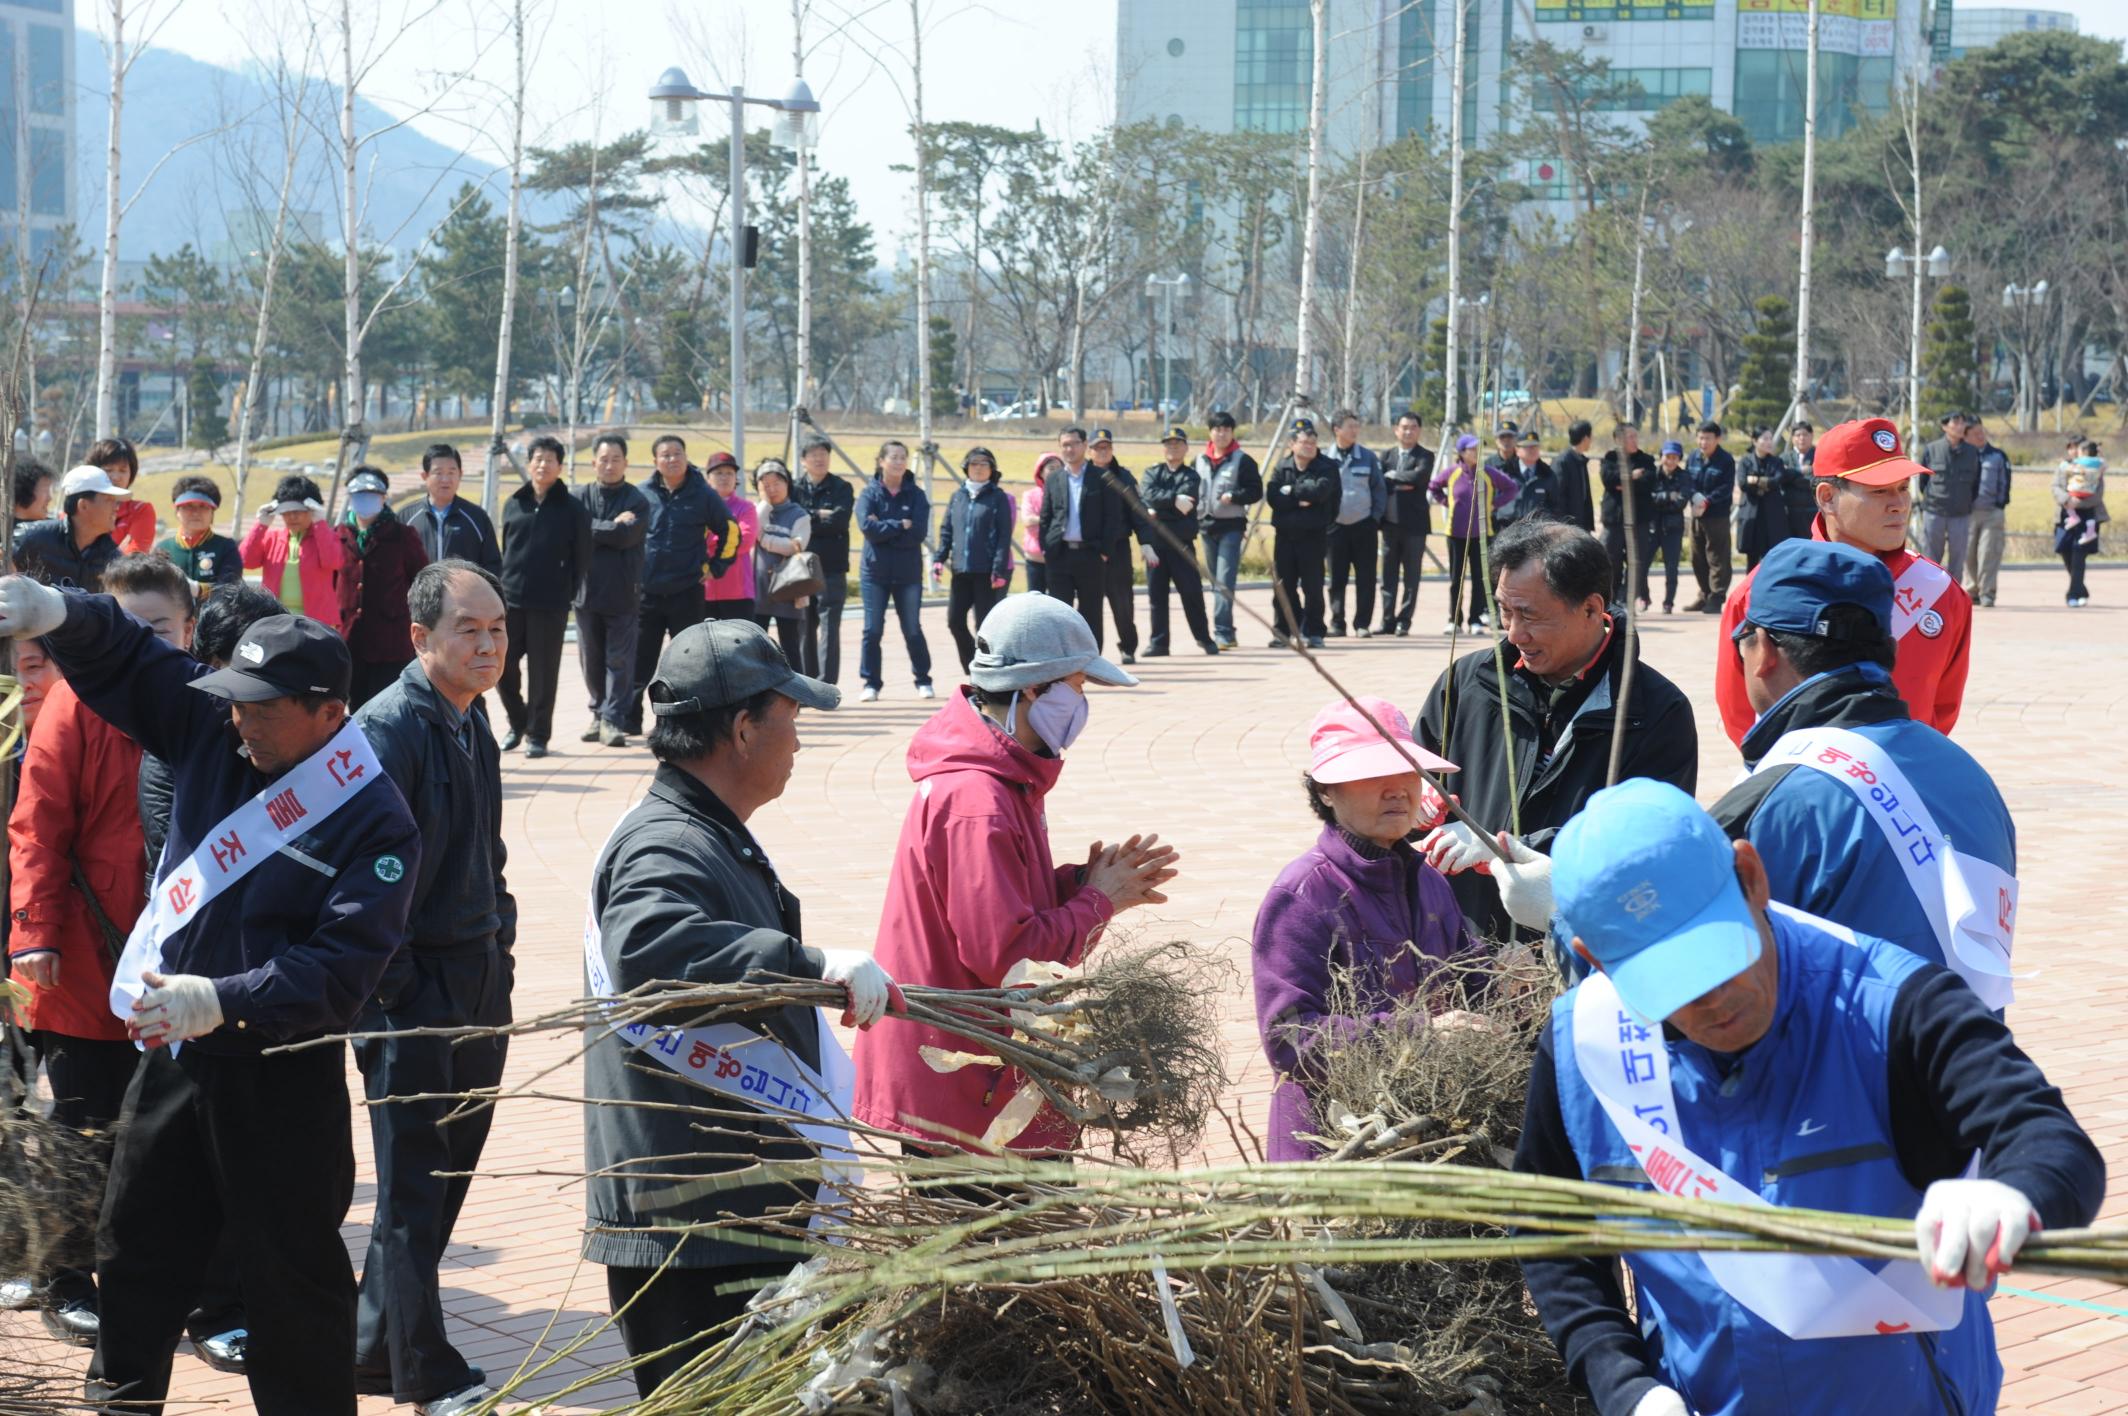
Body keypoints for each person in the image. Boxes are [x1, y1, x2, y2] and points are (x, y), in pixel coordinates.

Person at [1515, 777, 2103, 1416]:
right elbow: (1552, 1231)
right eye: (1667, 982)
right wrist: (1623, 1384)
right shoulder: (1585, 1045)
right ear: (1595, 959)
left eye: (1718, 954)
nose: (1712, 1000)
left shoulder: (1893, 1006)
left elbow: (2050, 1141)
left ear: (1751, 876)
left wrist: (2012, 1194)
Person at [0, 575, 420, 1416]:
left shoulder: (376, 818)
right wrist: (60, 613)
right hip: (177, 1057)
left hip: (281, 1073)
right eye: (233, 698)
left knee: (290, 1276)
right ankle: (121, 1402)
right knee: (135, 1248)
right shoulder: (210, 731)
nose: (239, 718)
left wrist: (223, 995)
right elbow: (129, 657)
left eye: (260, 707)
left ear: (327, 712)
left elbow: (340, 967)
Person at [585, 620, 895, 1399]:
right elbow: (650, 952)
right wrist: (811, 965)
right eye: (789, 716)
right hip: (698, 1229)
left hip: (729, 1208)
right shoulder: (666, 843)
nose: (798, 739)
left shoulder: (706, 830)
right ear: (743, 727)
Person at [854, 593, 1176, 1153]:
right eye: (1077, 686)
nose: (1082, 703)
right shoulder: (977, 797)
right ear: (1033, 688)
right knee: (999, 1239)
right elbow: (1005, 955)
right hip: (959, 1083)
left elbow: (994, 902)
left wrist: (1077, 885)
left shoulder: (1000, 771)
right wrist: (1099, 901)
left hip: (972, 1068)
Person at [5, 555, 194, 1348]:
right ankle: (63, 1277)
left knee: (157, 1134)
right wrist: (35, 936)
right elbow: (37, 830)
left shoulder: (205, 701)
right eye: (129, 628)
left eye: (158, 628)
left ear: (187, 628)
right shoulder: (73, 706)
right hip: (84, 963)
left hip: (176, 967)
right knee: (83, 1127)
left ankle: (153, 1274)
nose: (143, 643)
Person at [1711, 539, 2017, 1004]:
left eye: (1743, 641)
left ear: (1766, 650)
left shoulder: (1773, 800)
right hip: (1970, 1066)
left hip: (1835, 1073)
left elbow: (1696, 983)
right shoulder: (1973, 778)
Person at [350, 560, 514, 1416]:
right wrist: (402, 988)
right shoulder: (389, 730)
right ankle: (424, 1370)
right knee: (413, 1177)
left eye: (497, 629)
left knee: (448, 1170)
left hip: (480, 973)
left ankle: (372, 1345)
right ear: (420, 639)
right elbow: (369, 883)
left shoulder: (471, 719)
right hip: (414, 988)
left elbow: (487, 851)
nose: (488, 646)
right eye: (469, 630)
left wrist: (504, 947)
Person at [1416, 520, 1698, 947]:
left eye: (1529, 615)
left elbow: (1646, 845)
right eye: (1504, 611)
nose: (1513, 633)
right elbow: (1417, 768)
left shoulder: (1654, 712)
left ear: (1590, 608)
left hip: (1577, 952)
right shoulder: (1468, 682)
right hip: (1459, 945)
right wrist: (1410, 797)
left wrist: (1507, 847)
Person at [1252, 697, 1475, 1160]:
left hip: (1427, 1129)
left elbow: (1472, 978)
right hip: (1335, 1145)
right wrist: (1421, 1032)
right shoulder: (1302, 895)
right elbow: (1289, 1038)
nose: (1397, 790)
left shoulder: (1430, 881)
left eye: (1408, 773)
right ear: (1326, 792)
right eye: (1373, 776)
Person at [1715, 418, 1971, 745]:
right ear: (1827, 497)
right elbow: (1739, 713)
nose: (1899, 504)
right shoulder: (1758, 594)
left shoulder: (1942, 594)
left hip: (1904, 784)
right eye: (1879, 491)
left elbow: (1941, 713)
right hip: (1798, 785)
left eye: (1904, 488)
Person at [623, 434, 731, 736]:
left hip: (687, 592)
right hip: (646, 593)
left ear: (686, 457)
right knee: (639, 662)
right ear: (655, 460)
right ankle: (630, 718)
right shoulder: (641, 493)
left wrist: (716, 566)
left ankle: (684, 721)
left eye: (677, 453)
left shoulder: (703, 494)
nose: (672, 459)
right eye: (665, 454)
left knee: (687, 663)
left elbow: (730, 531)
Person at [498, 436, 592, 758]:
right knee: (501, 665)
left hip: (550, 604)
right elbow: (505, 550)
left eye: (550, 460)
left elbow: (582, 557)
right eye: (537, 459)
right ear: (529, 464)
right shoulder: (514, 503)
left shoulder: (573, 508)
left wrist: (566, 593)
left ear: (560, 466)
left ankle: (538, 735)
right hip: (511, 601)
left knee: (543, 673)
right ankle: (518, 720)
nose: (543, 465)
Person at [577, 433, 651, 748]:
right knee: (590, 659)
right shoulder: (579, 497)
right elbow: (576, 530)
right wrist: (611, 526)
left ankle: (613, 720)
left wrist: (593, 527)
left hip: (623, 592)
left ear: (626, 463)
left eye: (616, 459)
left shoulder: (637, 499)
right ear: (594, 462)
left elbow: (626, 537)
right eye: (604, 459)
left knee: (619, 660)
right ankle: (597, 713)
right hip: (585, 591)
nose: (609, 465)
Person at [336, 467, 431, 709]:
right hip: (349, 640)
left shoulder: (402, 535)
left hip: (391, 644)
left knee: (387, 707)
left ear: (384, 497)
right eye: (359, 494)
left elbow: (422, 580)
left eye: (373, 494)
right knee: (353, 710)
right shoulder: (337, 536)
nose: (365, 500)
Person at [856, 439, 934, 703]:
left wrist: (886, 529)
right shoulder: (869, 494)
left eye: (903, 457)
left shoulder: (916, 495)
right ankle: (871, 683)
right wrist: (900, 524)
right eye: (894, 457)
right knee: (872, 630)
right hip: (874, 573)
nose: (899, 462)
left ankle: (923, 680)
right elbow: (867, 529)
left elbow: (918, 533)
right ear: (881, 461)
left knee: (912, 627)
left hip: (908, 574)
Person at [1138, 425, 1217, 656]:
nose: (1173, 447)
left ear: (1186, 447)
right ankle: (1159, 643)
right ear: (1163, 448)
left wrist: (1159, 508)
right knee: (1157, 596)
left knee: (1192, 593)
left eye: (1178, 443)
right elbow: (1147, 495)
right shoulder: (1152, 473)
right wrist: (1174, 500)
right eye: (1169, 443)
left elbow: (1186, 505)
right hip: (1156, 545)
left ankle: (1204, 638)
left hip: (1181, 544)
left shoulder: (1191, 475)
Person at [932, 447, 1013, 673]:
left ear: (992, 469)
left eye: (984, 464)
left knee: (984, 626)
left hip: (987, 573)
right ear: (966, 467)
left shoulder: (998, 498)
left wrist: (998, 569)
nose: (979, 468)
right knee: (954, 621)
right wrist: (940, 558)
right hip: (961, 571)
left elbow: (1003, 536)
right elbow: (947, 529)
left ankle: (989, 670)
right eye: (974, 463)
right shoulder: (957, 496)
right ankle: (972, 666)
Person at [1428, 433, 1518, 636]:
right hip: (1456, 534)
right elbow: (1433, 486)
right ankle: (1454, 619)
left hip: (1482, 534)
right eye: (1471, 449)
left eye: (1478, 448)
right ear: (1461, 452)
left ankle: (1475, 619)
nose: (1476, 452)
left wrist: (1493, 504)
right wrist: (1446, 502)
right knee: (1456, 579)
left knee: (1480, 578)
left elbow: (1511, 488)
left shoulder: (1488, 473)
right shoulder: (1452, 472)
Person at [242, 473, 347, 631]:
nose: (292, 517)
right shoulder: (272, 538)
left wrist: (320, 523)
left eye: (299, 511)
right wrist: (261, 525)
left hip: (316, 624)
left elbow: (334, 561)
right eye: (286, 512)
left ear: (312, 509)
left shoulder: (326, 537)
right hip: (276, 621)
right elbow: (245, 561)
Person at [1267, 417, 1338, 649]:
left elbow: (1320, 492)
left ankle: (1315, 630)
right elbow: (1273, 497)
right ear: (1291, 444)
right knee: (1282, 586)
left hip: (1313, 535)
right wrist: (1301, 499)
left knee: (1313, 586)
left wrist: (1291, 494)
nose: (1309, 446)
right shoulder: (1282, 467)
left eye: (1312, 442)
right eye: (1304, 442)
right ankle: (1285, 630)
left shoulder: (1326, 466)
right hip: (1285, 535)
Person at [1038, 427, 1112, 648]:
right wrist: (1047, 548)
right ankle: (1063, 661)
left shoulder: (1101, 477)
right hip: (1060, 555)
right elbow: (1046, 517)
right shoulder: (1054, 479)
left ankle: (1092, 660)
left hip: (1091, 554)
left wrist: (1105, 550)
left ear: (1084, 445)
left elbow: (1112, 517)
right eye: (1064, 445)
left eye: (1073, 444)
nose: (1069, 449)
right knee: (1060, 612)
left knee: (1091, 610)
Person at [790, 435, 855, 684]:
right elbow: (791, 521)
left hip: (832, 566)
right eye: (813, 454)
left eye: (823, 454)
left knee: (830, 627)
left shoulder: (842, 488)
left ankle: (826, 684)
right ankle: (807, 684)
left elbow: (839, 521)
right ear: (803, 460)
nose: (819, 459)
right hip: (801, 567)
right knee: (804, 626)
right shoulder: (794, 488)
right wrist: (818, 515)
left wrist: (808, 519)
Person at [1197, 411, 1261, 649]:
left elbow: (1256, 491)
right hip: (1206, 526)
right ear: (1210, 432)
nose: (1221, 434)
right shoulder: (1200, 459)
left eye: (1226, 429)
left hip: (1231, 527)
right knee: (1216, 582)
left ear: (1232, 433)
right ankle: (1229, 630)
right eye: (1217, 429)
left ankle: (1222, 632)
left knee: (1224, 581)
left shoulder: (1242, 460)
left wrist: (1234, 496)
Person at [16, 465, 129, 592]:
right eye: (109, 500)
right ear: (83, 506)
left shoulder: (114, 560)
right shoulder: (31, 538)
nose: (116, 507)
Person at [1326, 410, 1386, 638]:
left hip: (1364, 526)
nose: (1355, 430)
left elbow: (1379, 490)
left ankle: (1362, 623)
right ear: (1336, 430)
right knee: (1336, 577)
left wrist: (1374, 519)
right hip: (1335, 527)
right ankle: (1337, 622)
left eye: (1356, 426)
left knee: (1366, 578)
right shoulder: (1325, 458)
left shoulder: (1368, 457)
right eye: (1350, 426)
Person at [401, 445, 503, 576]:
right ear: (425, 476)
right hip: (416, 596)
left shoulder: (477, 518)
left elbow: (492, 565)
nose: (445, 480)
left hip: (464, 596)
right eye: (438, 473)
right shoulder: (406, 518)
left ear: (460, 474)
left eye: (451, 472)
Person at [1087, 428, 1142, 665]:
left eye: (1106, 447)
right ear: (1089, 450)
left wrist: (1146, 542)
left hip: (1118, 547)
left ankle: (1128, 647)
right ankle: (1089, 652)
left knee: (1122, 602)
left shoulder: (1124, 477)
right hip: (1090, 549)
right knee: (1090, 604)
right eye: (1097, 447)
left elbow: (1137, 511)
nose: (1102, 451)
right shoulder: (1083, 476)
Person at [1379, 410, 1436, 636]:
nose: (1408, 431)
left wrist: (1394, 477)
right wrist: (1400, 479)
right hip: (1389, 525)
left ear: (1419, 430)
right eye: (1404, 427)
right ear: (1396, 430)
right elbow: (1380, 481)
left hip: (1414, 526)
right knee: (1388, 576)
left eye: (1413, 427)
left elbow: (1418, 478)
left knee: (1411, 577)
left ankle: (1404, 621)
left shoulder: (1425, 456)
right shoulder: (1386, 456)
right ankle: (1387, 621)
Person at [752, 459, 814, 665]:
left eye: (777, 482)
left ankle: (798, 695)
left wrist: (765, 539)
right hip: (757, 591)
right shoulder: (755, 510)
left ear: (787, 483)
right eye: (765, 484)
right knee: (754, 647)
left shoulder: (799, 515)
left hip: (788, 591)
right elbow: (751, 531)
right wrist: (764, 506)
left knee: (791, 647)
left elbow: (796, 546)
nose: (772, 489)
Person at [155, 477, 244, 600]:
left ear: (212, 512)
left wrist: (198, 589)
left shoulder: (226, 547)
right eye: (188, 506)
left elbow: (231, 589)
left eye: (203, 506)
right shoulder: (162, 548)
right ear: (177, 510)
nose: (196, 512)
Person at [1917, 411, 1980, 584]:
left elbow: (1976, 483)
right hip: (1934, 511)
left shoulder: (1972, 453)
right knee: (1930, 559)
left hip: (1960, 513)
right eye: (1956, 423)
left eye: (1962, 423)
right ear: (1945, 426)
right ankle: (1929, 597)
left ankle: (1952, 599)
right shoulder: (1932, 449)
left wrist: (1965, 502)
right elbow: (1923, 482)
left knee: (1957, 561)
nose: (1960, 427)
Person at [1599, 425, 1656, 608]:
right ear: (1618, 439)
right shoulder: (1610, 458)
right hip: (1615, 519)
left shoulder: (1646, 460)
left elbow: (1648, 483)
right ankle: (1611, 598)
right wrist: (1631, 476)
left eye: (1635, 436)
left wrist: (1624, 482)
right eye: (1629, 437)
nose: (1634, 440)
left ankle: (1627, 597)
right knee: (1611, 558)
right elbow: (1609, 479)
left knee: (1637, 560)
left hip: (1639, 519)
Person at [1682, 420, 1736, 613]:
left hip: (1716, 516)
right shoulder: (1693, 457)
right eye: (1700, 437)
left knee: (1717, 557)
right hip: (1697, 515)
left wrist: (1707, 501)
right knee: (1697, 557)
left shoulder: (1726, 460)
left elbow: (1726, 488)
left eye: (1708, 438)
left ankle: (1717, 596)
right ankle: (1704, 594)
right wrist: (1693, 496)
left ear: (1717, 439)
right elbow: (1686, 480)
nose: (1703, 442)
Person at [1734, 427, 1801, 571]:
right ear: (1754, 441)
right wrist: (1765, 484)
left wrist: (1756, 481)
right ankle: (1750, 590)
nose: (1769, 442)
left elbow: (1777, 480)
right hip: (1752, 515)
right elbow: (1743, 483)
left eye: (1771, 438)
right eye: (1765, 438)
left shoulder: (1776, 461)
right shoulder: (1746, 461)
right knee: (1752, 559)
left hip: (1772, 515)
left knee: (1773, 555)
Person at [702, 451, 757, 622]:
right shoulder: (699, 507)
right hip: (703, 588)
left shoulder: (746, 508)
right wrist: (727, 538)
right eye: (718, 473)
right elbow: (691, 539)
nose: (724, 478)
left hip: (737, 592)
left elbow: (745, 541)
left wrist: (709, 540)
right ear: (708, 478)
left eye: (729, 473)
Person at [1963, 417, 2012, 607]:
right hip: (1967, 513)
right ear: (1966, 437)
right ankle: (1972, 590)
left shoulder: (1998, 456)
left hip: (1992, 512)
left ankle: (1988, 593)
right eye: (1975, 434)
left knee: (1988, 553)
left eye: (1982, 432)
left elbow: (2005, 482)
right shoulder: (1963, 456)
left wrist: (2000, 504)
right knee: (1968, 554)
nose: (1981, 436)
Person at [83, 437, 156, 555]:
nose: (116, 477)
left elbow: (135, 560)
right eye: (108, 470)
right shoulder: (80, 509)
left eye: (122, 471)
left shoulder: (140, 511)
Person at [2054, 444, 2106, 608]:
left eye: (2078, 449)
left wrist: (2079, 503)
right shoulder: (2066, 467)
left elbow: (2098, 493)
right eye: (2071, 448)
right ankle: (2080, 589)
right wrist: (2067, 501)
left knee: (2079, 554)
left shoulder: (2093, 467)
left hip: (2087, 516)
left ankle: (2073, 594)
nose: (2075, 452)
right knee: (2064, 550)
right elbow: (2055, 487)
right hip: (2066, 515)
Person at [1645, 441, 1691, 614]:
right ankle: (1644, 596)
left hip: (1673, 528)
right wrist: (1668, 496)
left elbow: (1681, 502)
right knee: (1642, 565)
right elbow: (1648, 499)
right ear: (1661, 456)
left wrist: (1660, 500)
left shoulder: (1684, 476)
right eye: (1667, 457)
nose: (1670, 461)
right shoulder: (1653, 475)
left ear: (1679, 458)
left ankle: (1668, 602)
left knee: (1671, 567)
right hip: (1652, 526)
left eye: (1674, 457)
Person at [1549, 419, 1598, 533]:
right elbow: (1557, 496)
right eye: (1591, 437)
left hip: (1580, 523)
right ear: (1586, 438)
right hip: (1568, 526)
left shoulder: (1579, 459)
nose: (1591, 441)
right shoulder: (1562, 461)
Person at [1017, 453, 1056, 596]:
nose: (1055, 471)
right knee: (1034, 599)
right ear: (1041, 472)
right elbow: (1027, 520)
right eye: (1051, 468)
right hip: (1035, 558)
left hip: (1059, 558)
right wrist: (1052, 520)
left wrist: (1039, 520)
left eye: (1059, 468)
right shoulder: (1030, 495)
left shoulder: (1065, 494)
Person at [12, 458, 54, 524]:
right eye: (45, 490)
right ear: (25, 491)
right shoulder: (5, 530)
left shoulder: (53, 529)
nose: (50, 498)